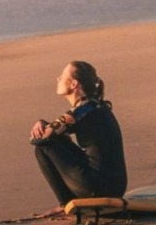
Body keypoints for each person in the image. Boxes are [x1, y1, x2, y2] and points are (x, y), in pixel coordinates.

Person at [29, 61, 127, 218]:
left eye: (62, 76)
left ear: (74, 83)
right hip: (116, 185)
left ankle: (66, 203)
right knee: (55, 141)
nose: (57, 79)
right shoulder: (95, 106)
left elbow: (40, 139)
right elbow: (56, 133)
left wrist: (41, 123)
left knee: (44, 148)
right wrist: (50, 127)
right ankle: (69, 202)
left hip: (99, 187)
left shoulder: (80, 111)